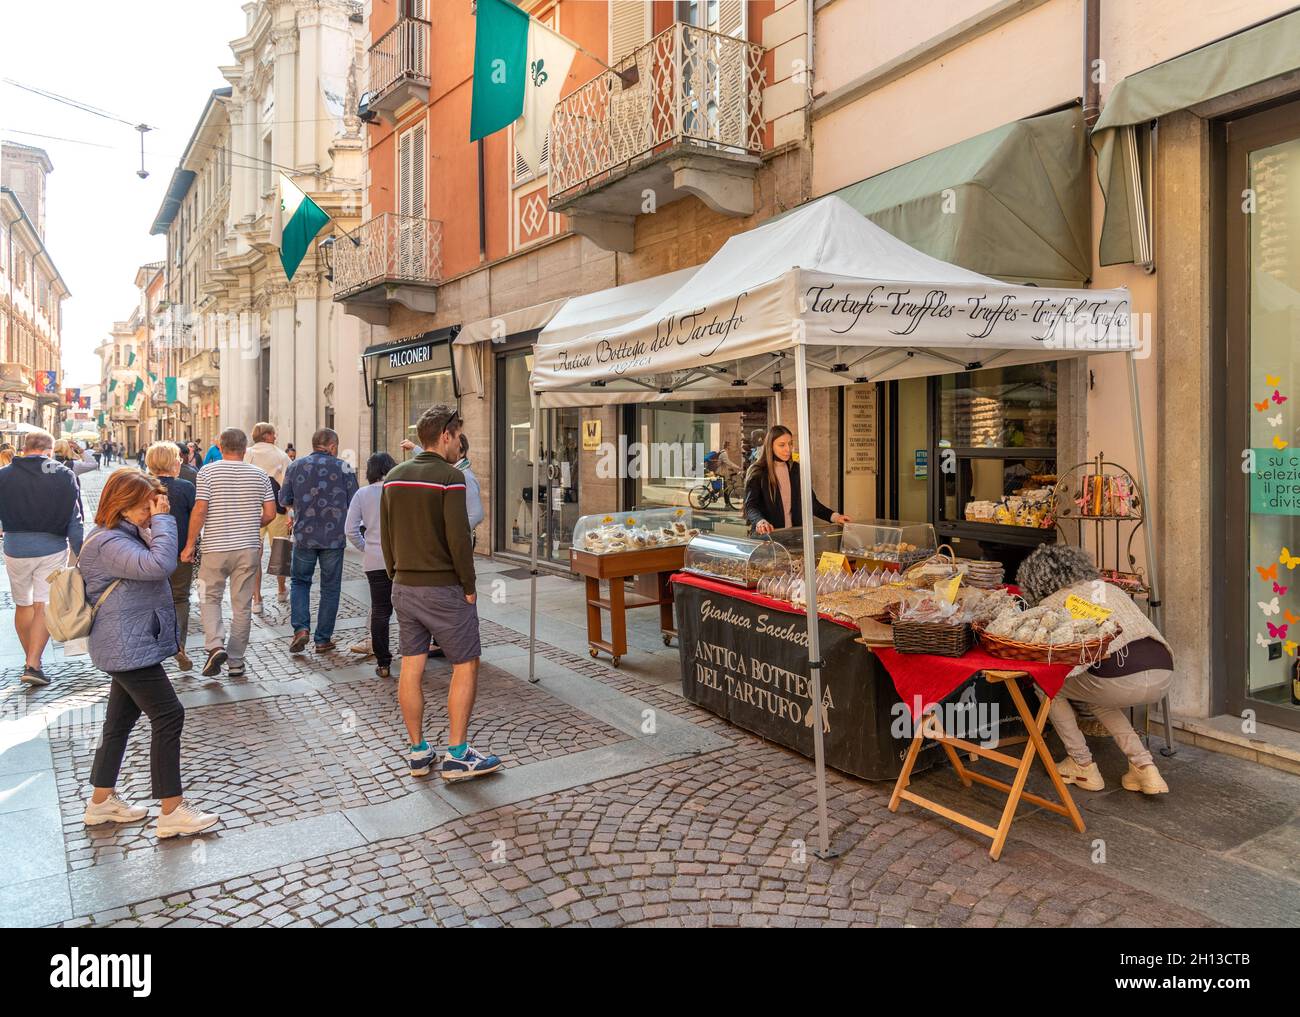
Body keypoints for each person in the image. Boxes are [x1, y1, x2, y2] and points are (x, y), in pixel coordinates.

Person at [77, 468, 219, 838]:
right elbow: (160, 565)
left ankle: (100, 802)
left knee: (119, 723)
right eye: (144, 505)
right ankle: (171, 811)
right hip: (126, 646)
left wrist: (154, 521)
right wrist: (164, 520)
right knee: (169, 715)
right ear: (123, 505)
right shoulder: (109, 542)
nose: (149, 511)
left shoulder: (123, 533)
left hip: (129, 642)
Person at [381, 405, 501, 781]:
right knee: (465, 664)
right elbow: (458, 538)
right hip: (444, 586)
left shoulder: (393, 477)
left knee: (411, 667)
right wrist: (469, 586)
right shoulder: (451, 477)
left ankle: (418, 752)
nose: (459, 444)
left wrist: (394, 574)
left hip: (403, 586)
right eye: (458, 436)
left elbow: (385, 536)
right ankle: (458, 754)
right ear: (445, 435)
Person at [1016, 544, 1174, 796]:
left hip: (1117, 678)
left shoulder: (1050, 603)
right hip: (1163, 672)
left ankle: (1081, 763)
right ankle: (1145, 767)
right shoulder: (1108, 588)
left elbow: (1040, 649)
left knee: (1046, 684)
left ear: (1034, 581)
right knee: (1098, 695)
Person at [182, 428, 276, 679]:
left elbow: (200, 510)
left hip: (214, 548)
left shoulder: (208, 472)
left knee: (208, 597)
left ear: (220, 448)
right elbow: (270, 513)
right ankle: (235, 661)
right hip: (247, 548)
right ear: (245, 450)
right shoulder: (259, 475)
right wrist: (250, 524)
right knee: (242, 605)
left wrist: (190, 544)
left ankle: (215, 645)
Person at [0, 430, 85, 685]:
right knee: (44, 604)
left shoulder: (4, 475)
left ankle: (32, 662)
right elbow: (75, 518)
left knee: (23, 604)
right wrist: (80, 551)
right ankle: (33, 663)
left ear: (24, 448)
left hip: (15, 546)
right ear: (49, 451)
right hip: (51, 547)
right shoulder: (63, 474)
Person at [280, 427, 357, 654]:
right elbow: (355, 500)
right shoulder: (343, 467)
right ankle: (323, 639)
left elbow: (284, 499)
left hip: (304, 535)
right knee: (330, 588)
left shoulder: (295, 466)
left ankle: (301, 629)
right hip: (334, 537)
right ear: (332, 446)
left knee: (300, 582)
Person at [743, 424, 851, 535]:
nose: (788, 449)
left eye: (790, 444)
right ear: (770, 446)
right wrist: (760, 522)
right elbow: (750, 506)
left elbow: (811, 503)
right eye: (782, 445)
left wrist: (835, 517)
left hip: (793, 536)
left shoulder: (795, 469)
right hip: (768, 538)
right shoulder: (758, 471)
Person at [346, 452, 397, 678]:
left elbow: (350, 529)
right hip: (402, 558)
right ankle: (413, 654)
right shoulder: (399, 491)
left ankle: (383, 662)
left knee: (380, 610)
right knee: (408, 609)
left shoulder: (362, 494)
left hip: (375, 559)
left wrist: (366, 547)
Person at [147, 442, 197, 672]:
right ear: (174, 462)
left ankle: (151, 647)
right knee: (179, 598)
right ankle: (179, 645)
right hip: (179, 552)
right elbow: (195, 521)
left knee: (148, 599)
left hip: (147, 553)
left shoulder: (142, 487)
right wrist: (190, 546)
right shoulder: (186, 487)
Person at [244, 422, 293, 611]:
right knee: (280, 550)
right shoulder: (281, 455)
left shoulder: (247, 454)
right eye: (273, 434)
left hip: (252, 510)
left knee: (255, 554)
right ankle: (281, 590)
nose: (276, 437)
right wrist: (290, 511)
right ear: (267, 436)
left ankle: (257, 599)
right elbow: (288, 486)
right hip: (277, 509)